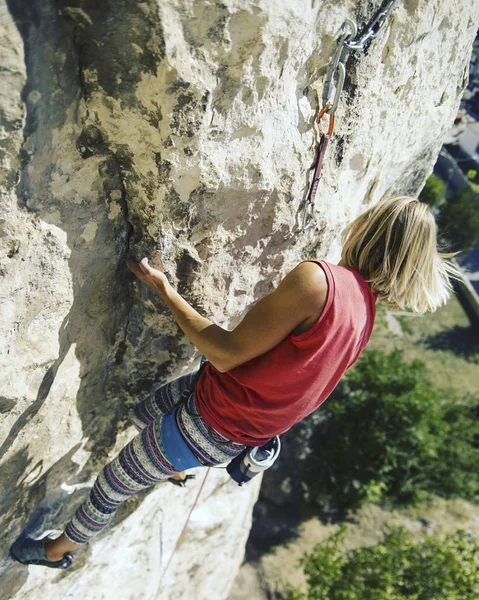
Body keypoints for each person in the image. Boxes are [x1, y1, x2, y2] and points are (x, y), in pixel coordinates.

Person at [10, 196, 461, 569]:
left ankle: (57, 551)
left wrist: (164, 289)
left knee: (113, 483)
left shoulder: (319, 282)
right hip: (228, 414)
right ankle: (175, 466)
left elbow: (226, 354)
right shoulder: (365, 312)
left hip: (216, 422)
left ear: (369, 228)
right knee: (143, 413)